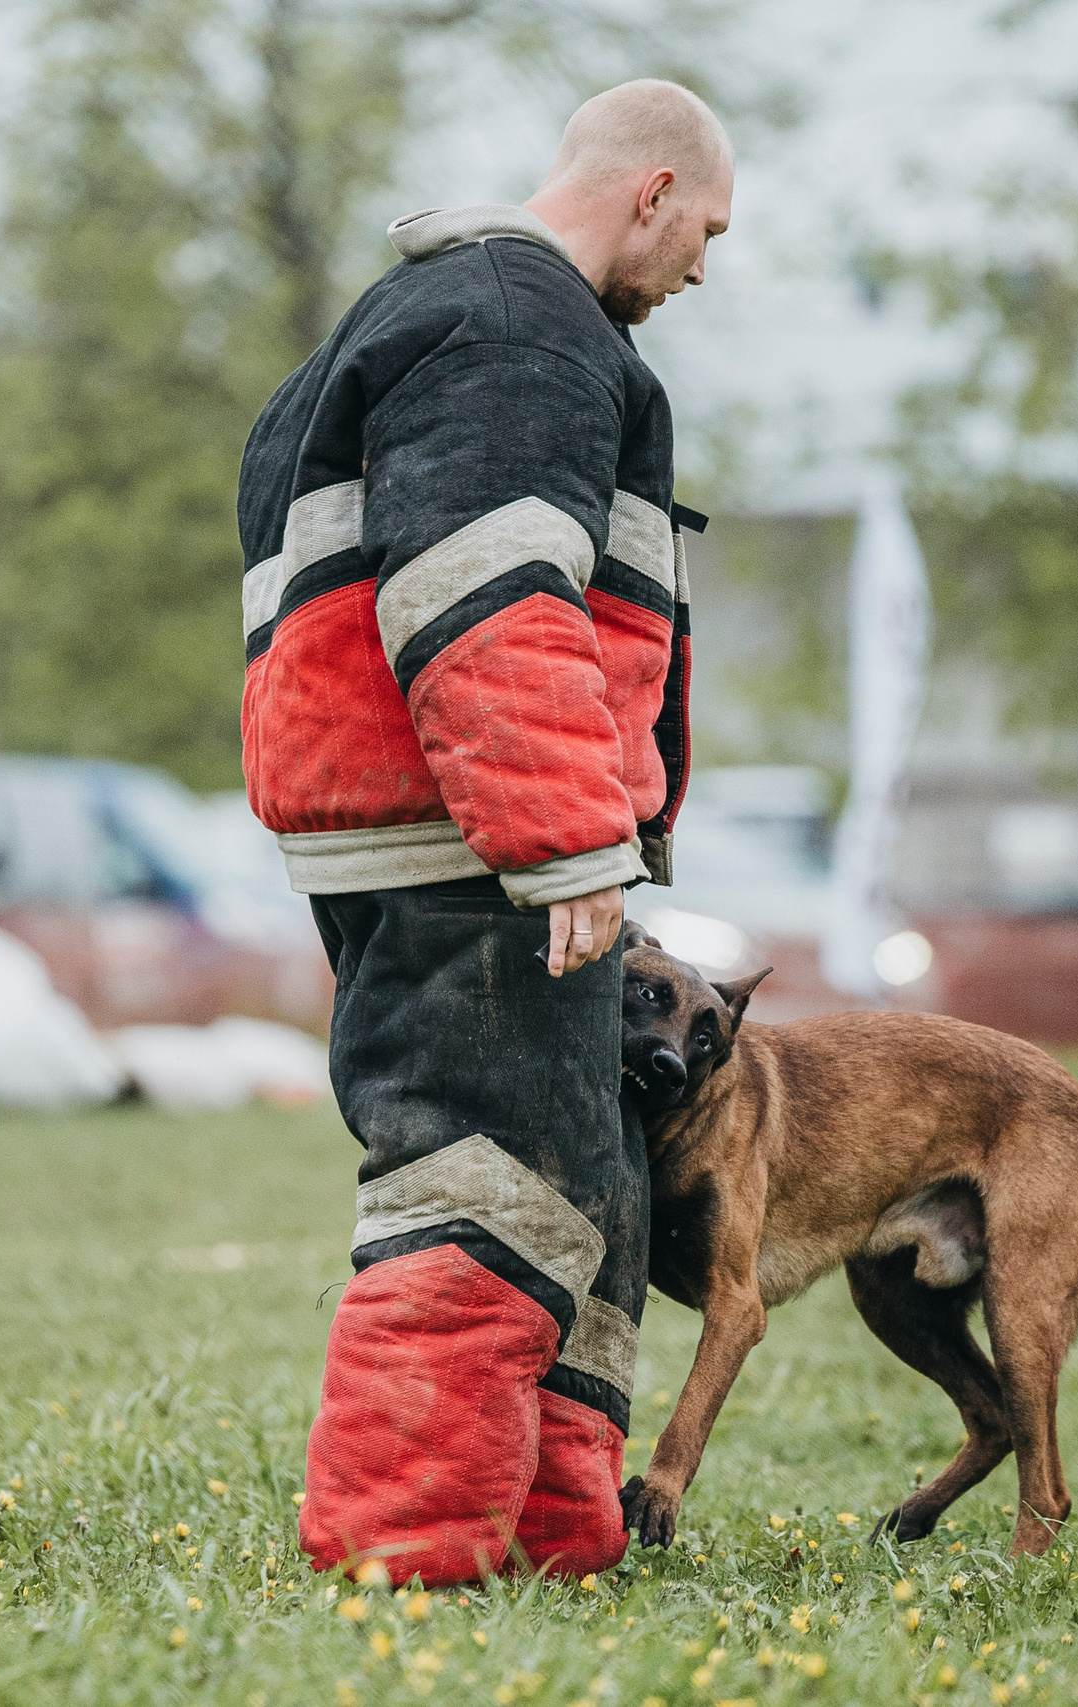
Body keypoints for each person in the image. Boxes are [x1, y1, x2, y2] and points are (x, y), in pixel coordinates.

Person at [235, 80, 732, 1586]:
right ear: (649, 190)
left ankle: (550, 1531)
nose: (705, 266)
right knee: (484, 1175)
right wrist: (567, 836)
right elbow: (483, 588)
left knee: (585, 1177)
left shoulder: (438, 317)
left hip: (432, 824)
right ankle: (405, 1550)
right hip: (473, 838)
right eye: (708, 228)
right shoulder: (521, 328)